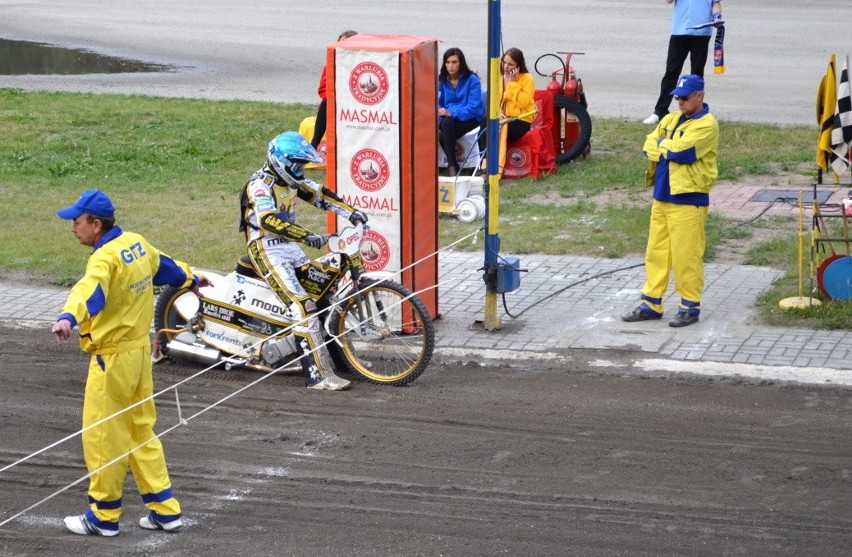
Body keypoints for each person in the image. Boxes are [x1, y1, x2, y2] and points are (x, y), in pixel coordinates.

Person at [52, 189, 213, 536]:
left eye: (77, 222)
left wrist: (68, 317)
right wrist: (192, 278)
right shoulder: (135, 243)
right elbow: (165, 268)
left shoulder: (103, 258)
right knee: (141, 432)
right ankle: (165, 511)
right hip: (140, 357)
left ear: (96, 225)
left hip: (112, 360)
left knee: (103, 437)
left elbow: (88, 292)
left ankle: (103, 516)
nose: (72, 228)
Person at [239, 131, 368, 390]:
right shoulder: (260, 186)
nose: (300, 170)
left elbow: (320, 195)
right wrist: (307, 236)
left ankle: (344, 362)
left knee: (323, 297)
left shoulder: (290, 181)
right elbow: (268, 220)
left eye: (302, 165)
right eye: (296, 165)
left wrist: (352, 213)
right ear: (280, 162)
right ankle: (317, 376)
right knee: (303, 306)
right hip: (266, 249)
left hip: (288, 246)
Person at [622, 74, 719, 328]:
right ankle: (651, 304)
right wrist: (667, 146)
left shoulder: (707, 125)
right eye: (677, 97)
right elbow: (648, 146)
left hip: (688, 200)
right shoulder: (670, 119)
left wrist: (665, 146)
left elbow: (683, 153)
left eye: (685, 97)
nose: (680, 102)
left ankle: (690, 306)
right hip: (662, 196)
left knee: (687, 256)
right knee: (656, 252)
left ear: (700, 96)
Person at [643, 0, 722, 125]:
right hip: (680, 30)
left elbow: (715, 3)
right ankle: (660, 111)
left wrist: (717, 17)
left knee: (697, 74)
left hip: (701, 33)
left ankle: (696, 111)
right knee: (671, 71)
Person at [477, 47, 536, 169]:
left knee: (494, 129)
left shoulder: (526, 78)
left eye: (510, 64)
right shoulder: (500, 77)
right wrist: (497, 112)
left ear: (518, 65)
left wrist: (512, 84)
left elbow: (523, 103)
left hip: (520, 120)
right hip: (503, 117)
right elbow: (494, 101)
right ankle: (484, 162)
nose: (506, 67)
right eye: (504, 62)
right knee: (484, 121)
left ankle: (493, 166)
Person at [438, 47, 484, 177]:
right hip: (447, 120)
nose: (451, 66)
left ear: (461, 63)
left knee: (443, 135)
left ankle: (452, 167)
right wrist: (439, 111)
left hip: (469, 120)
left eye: (454, 62)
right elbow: (437, 101)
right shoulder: (442, 79)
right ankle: (453, 166)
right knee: (446, 124)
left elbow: (473, 107)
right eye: (448, 62)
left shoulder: (472, 79)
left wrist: (451, 113)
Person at [311, 30, 358, 149]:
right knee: (326, 103)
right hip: (336, 102)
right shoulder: (331, 65)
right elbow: (322, 90)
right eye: (340, 44)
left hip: (356, 104)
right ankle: (314, 144)